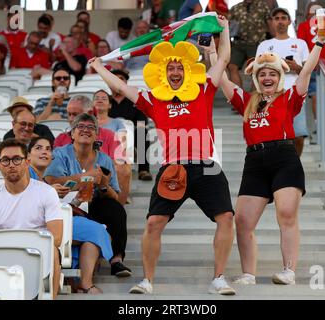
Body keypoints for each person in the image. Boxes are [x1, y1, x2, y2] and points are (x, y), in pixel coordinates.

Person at [90, 15, 236, 295]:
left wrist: (225, 28)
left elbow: (223, 60)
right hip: (172, 167)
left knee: (226, 217)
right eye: (170, 68)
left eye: (179, 67)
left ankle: (219, 277)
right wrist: (98, 66)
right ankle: (148, 280)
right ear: (163, 73)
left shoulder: (204, 88)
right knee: (154, 222)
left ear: (187, 70)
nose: (175, 71)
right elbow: (121, 88)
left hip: (206, 166)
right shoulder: (155, 99)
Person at [215, 23, 325, 286]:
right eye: (262, 74)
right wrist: (215, 45)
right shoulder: (246, 101)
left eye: (272, 74)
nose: (267, 77)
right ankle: (248, 273)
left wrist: (320, 42)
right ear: (256, 78)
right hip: (254, 161)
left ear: (279, 77)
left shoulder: (289, 97)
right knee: (242, 221)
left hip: (284, 157)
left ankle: (288, 270)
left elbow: (308, 69)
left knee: (286, 213)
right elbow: (221, 77)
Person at [45, 113, 132, 278]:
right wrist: (85, 177)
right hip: (68, 203)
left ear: (97, 134)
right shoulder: (60, 154)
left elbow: (116, 196)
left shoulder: (105, 160)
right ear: (72, 133)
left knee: (116, 209)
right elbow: (51, 180)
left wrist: (104, 185)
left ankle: (116, 260)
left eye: (91, 127)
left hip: (95, 201)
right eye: (81, 127)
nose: (86, 130)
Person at [0, 139, 63, 299]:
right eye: (5, 160)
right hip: (3, 256)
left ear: (27, 162)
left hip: (38, 253)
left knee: (54, 251)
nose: (11, 164)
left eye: (17, 159)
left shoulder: (47, 192)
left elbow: (56, 238)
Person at [27, 136, 113, 294]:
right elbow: (23, 202)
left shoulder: (43, 180)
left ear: (52, 157)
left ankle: (79, 281)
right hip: (39, 225)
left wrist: (77, 201)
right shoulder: (26, 174)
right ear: (27, 156)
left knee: (93, 234)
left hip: (54, 222)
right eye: (38, 148)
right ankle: (86, 284)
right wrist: (50, 191)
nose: (44, 152)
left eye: (47, 149)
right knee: (97, 231)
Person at [256, 8, 310, 156]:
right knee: (273, 138)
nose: (280, 21)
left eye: (283, 18)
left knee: (298, 137)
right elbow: (257, 71)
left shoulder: (300, 43)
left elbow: (309, 70)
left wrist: (297, 67)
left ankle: (294, 164)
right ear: (272, 22)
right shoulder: (264, 45)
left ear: (289, 21)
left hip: (296, 95)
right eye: (277, 18)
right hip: (270, 98)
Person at [109, 69, 152, 181]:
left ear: (126, 83)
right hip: (109, 134)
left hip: (131, 134)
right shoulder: (104, 100)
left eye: (121, 79)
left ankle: (144, 170)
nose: (117, 81)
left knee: (142, 133)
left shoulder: (135, 101)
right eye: (114, 79)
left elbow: (142, 122)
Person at [93, 89, 132, 205]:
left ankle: (118, 204)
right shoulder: (87, 122)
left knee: (123, 167)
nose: (100, 100)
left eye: (104, 98)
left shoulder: (117, 123)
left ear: (110, 105)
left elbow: (122, 145)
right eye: (97, 98)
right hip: (90, 160)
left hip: (111, 159)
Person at [53, 95, 120, 160]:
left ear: (90, 113)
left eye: (75, 114)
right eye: (69, 114)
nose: (71, 119)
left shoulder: (110, 136)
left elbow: (123, 168)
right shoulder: (61, 139)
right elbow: (56, 168)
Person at [227, 0, 271, 87]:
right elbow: (229, 26)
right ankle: (239, 95)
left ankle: (253, 96)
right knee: (232, 67)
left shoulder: (263, 6)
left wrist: (273, 40)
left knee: (258, 69)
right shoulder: (235, 8)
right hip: (238, 43)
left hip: (257, 44)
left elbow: (270, 24)